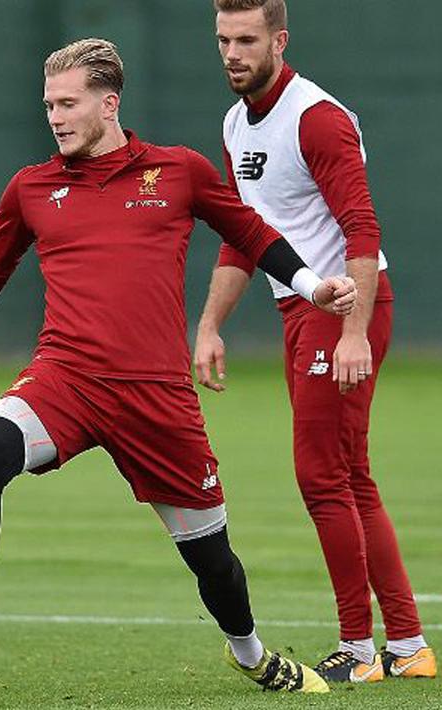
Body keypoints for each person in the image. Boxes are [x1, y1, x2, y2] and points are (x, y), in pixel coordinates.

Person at [0, 38, 358, 699]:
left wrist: (313, 286)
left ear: (107, 103)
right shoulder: (31, 187)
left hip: (157, 399)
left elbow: (251, 233)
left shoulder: (178, 172)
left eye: (67, 103)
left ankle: (251, 654)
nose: (54, 117)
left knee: (213, 564)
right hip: (66, 380)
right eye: (47, 104)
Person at [194, 0, 435, 683]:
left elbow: (362, 227)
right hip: (301, 312)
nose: (232, 52)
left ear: (279, 39)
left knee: (320, 475)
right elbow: (243, 236)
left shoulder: (316, 117)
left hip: (344, 306)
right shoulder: (235, 122)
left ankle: (358, 651)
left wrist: (354, 331)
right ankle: (407, 646)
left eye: (245, 39)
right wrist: (210, 325)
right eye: (222, 39)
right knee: (349, 475)